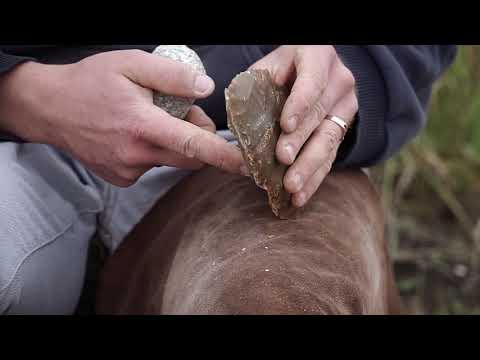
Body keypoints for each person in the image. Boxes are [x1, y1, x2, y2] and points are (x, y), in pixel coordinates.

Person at [0, 45, 457, 314]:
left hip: (244, 154)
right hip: (20, 125)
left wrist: (355, 68)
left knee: (282, 295)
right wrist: (21, 93)